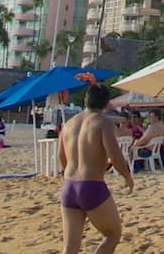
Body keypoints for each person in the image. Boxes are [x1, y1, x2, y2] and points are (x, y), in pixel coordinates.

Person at [57, 74, 136, 254]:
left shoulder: (68, 124)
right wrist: (127, 177)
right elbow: (115, 156)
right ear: (106, 103)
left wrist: (66, 176)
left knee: (70, 248)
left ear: (86, 100)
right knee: (113, 234)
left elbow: (61, 155)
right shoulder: (103, 122)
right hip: (91, 186)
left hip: (69, 187)